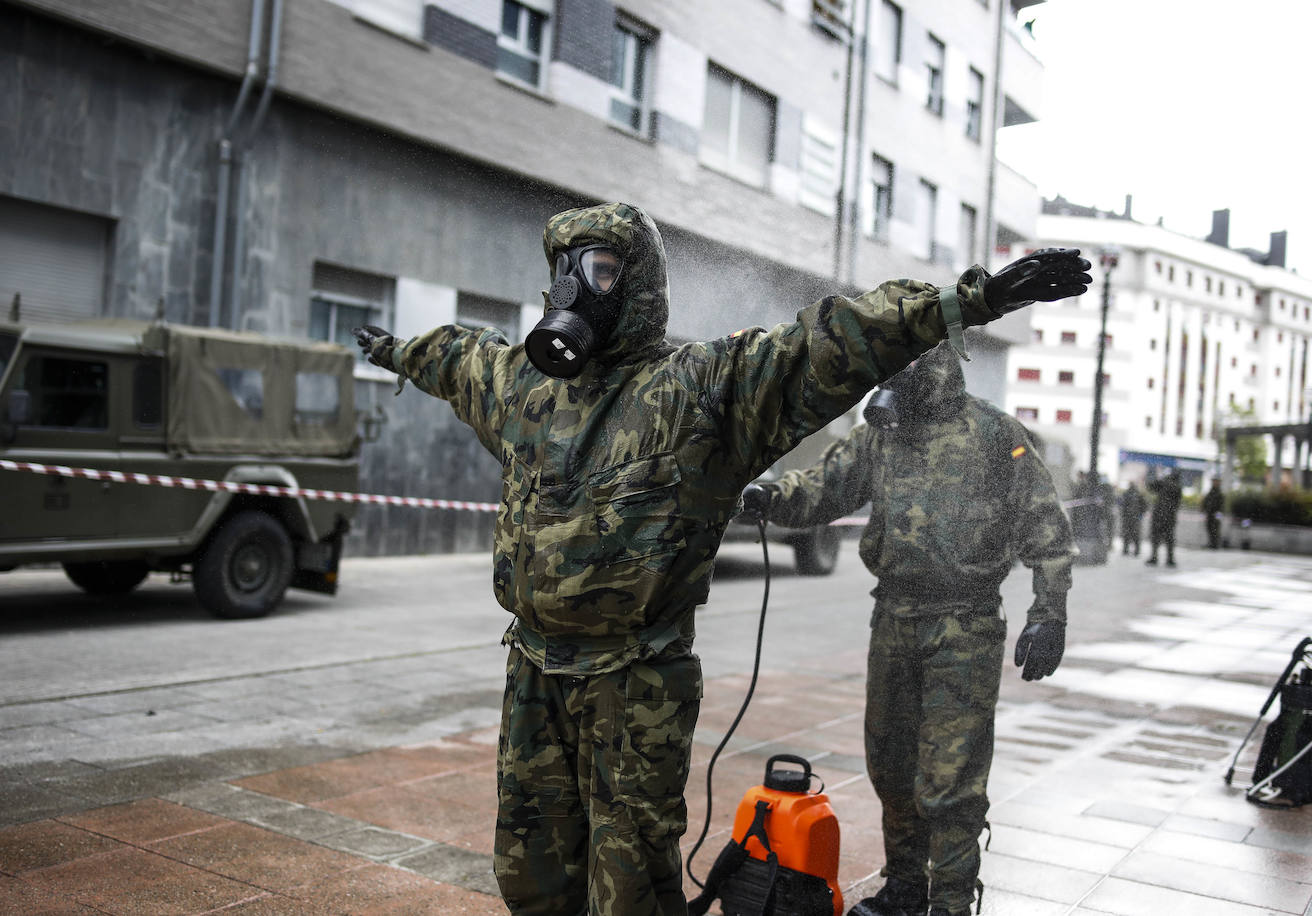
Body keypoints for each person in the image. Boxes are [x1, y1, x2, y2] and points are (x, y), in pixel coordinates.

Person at [353, 201, 1091, 916]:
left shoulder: (704, 388)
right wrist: (395, 351)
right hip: (534, 669)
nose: (577, 288)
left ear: (641, 283)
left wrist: (974, 299)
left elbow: (830, 342)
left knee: (628, 884)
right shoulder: (527, 386)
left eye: (602, 268)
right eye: (566, 269)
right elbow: (457, 357)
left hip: (634, 679)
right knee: (531, 871)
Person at [740, 342, 1076, 916]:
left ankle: (949, 904)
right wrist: (771, 495)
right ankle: (903, 889)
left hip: (963, 624)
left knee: (950, 780)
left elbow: (1046, 526)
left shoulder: (995, 434)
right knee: (891, 765)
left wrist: (1049, 611)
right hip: (892, 616)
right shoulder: (883, 430)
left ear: (937, 361)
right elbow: (828, 485)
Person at [1145, 468, 1183, 566]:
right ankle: (1169, 559)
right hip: (1168, 516)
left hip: (1160, 515)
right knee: (1169, 538)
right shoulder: (1177, 486)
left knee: (1157, 538)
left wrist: (1158, 478)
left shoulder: (1165, 483)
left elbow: (1151, 487)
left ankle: (1155, 557)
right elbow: (1177, 503)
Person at [1118, 481, 1145, 556]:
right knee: (1134, 534)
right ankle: (1134, 550)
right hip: (1133, 518)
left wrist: (1123, 514)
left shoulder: (1127, 494)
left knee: (1128, 534)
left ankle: (1127, 549)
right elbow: (1144, 506)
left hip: (1129, 518)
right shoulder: (1138, 494)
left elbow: (1122, 505)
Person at [1202, 476, 1224, 549]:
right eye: (1214, 481)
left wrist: (1218, 514)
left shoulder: (1219, 493)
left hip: (1216, 514)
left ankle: (1215, 544)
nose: (1214, 483)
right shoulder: (1211, 491)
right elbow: (1206, 501)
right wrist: (1204, 509)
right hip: (1209, 513)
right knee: (1209, 528)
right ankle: (1211, 542)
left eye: (1216, 481)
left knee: (1215, 528)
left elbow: (1221, 505)